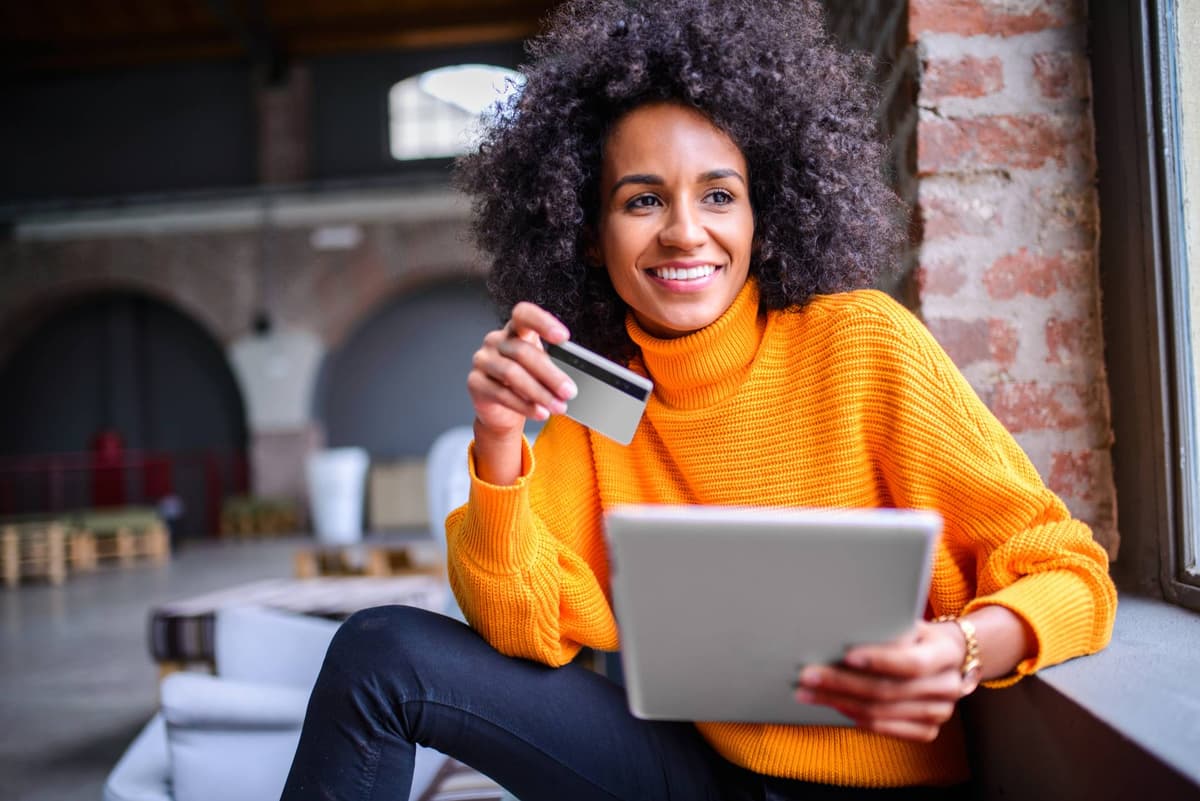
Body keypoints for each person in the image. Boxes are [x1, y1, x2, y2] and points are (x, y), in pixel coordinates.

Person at [281, 1, 1117, 799]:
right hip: (696, 774)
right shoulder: (596, 392)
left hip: (882, 790)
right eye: (642, 199)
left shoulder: (861, 344)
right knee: (379, 650)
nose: (684, 230)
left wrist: (966, 647)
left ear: (765, 213)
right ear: (586, 229)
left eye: (719, 194)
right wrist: (500, 440)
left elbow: (1071, 570)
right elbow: (523, 628)